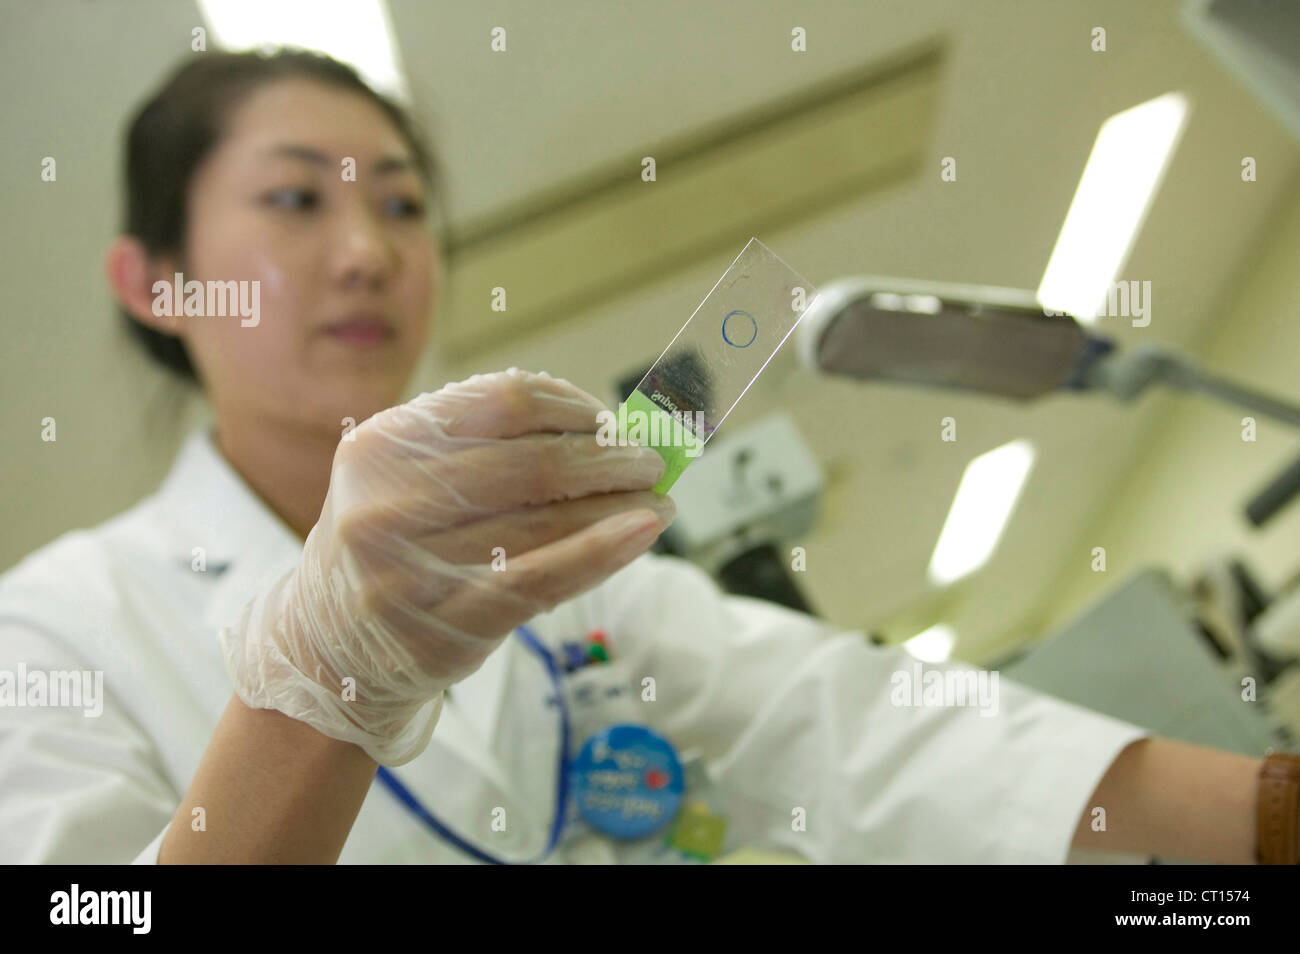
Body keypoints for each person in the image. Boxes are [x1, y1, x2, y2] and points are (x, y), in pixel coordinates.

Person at [0, 49, 1291, 865]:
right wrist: (320, 687)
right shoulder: (50, 630)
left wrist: (1264, 819)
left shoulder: (567, 571)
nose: (368, 250)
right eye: (298, 198)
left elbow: (862, 725)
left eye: (400, 203)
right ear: (158, 282)